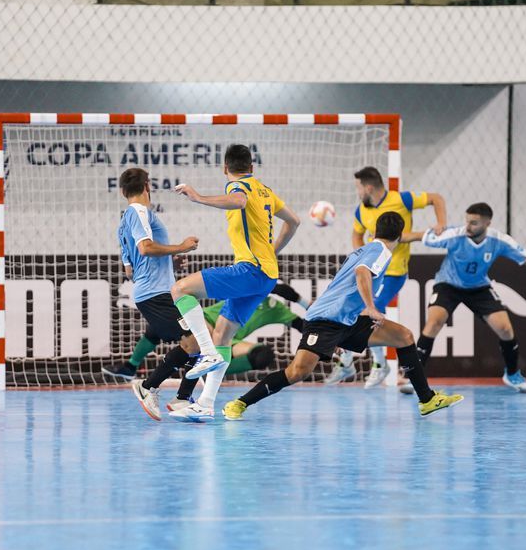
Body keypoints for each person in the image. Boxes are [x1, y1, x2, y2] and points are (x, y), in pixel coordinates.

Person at [223, 212, 463, 420]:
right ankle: (240, 403)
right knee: (297, 372)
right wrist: (371, 307)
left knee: (404, 336)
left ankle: (427, 399)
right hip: (325, 321)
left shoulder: (365, 248)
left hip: (346, 321)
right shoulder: (381, 252)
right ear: (400, 236)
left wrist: (359, 315)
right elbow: (361, 273)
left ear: (375, 231)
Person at [168, 144, 301, 422]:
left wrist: (198, 197)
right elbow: (294, 221)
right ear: (252, 167)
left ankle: (206, 353)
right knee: (222, 336)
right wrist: (272, 251)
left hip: (249, 270)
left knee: (180, 289)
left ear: (224, 168)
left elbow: (239, 201)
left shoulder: (237, 186)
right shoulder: (265, 191)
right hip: (266, 276)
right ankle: (205, 403)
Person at [404, 203, 526, 394]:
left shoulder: (498, 240)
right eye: (467, 221)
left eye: (474, 223)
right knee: (434, 322)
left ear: (487, 224)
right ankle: (414, 380)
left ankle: (512, 375)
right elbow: (419, 236)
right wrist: (390, 238)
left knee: (505, 328)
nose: (468, 226)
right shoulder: (455, 235)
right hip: (448, 284)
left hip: (479, 288)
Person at [330, 166, 447, 388]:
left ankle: (374, 363)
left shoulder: (402, 199)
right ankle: (356, 361)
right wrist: (362, 256)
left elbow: (436, 198)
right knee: (356, 309)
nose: (357, 193)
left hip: (393, 272)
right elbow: (356, 235)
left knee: (369, 310)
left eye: (358, 188)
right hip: (372, 271)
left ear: (368, 187)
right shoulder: (361, 211)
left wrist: (441, 223)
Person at [104, 168, 201, 421]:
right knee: (196, 342)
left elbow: (130, 271)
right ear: (147, 186)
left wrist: (169, 262)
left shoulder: (123, 224)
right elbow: (146, 249)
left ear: (123, 191)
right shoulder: (139, 212)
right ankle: (149, 387)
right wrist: (181, 247)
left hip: (153, 292)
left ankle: (182, 398)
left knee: (198, 343)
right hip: (156, 294)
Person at [115, 282, 309, 390]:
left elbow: (302, 325)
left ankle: (212, 372)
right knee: (159, 327)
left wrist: (304, 303)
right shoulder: (245, 286)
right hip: (203, 322)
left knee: (263, 355)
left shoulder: (276, 308)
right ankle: (131, 367)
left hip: (226, 339)